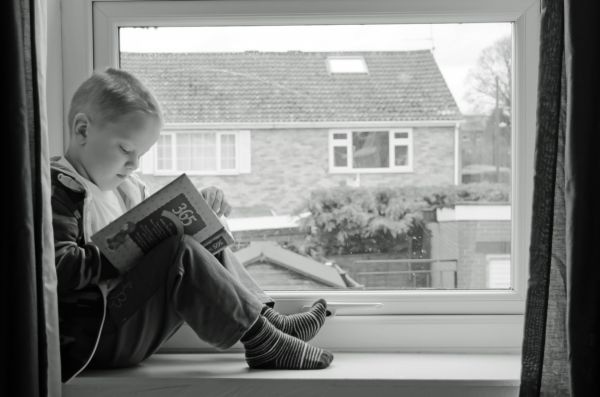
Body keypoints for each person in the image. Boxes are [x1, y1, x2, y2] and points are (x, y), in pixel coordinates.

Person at [51, 67, 333, 383]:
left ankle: (269, 322)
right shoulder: (59, 188)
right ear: (82, 130)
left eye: (140, 154)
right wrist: (129, 250)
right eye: (126, 149)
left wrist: (201, 207)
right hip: (97, 338)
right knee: (178, 249)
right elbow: (60, 268)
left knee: (190, 237)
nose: (134, 164)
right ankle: (263, 342)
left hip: (125, 321)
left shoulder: (126, 187)